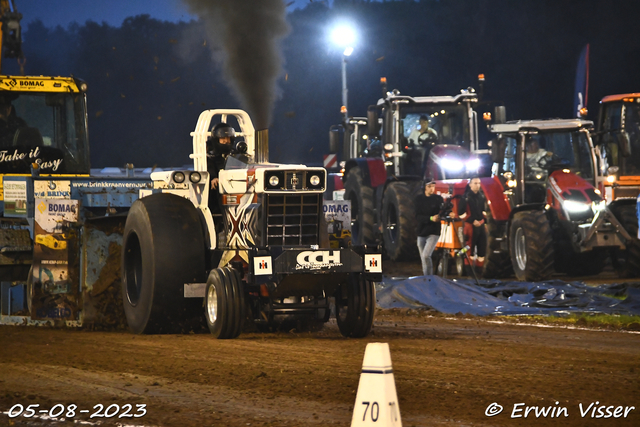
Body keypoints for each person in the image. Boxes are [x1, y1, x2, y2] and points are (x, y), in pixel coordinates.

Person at [457, 177, 487, 274]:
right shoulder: (465, 197)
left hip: (481, 225)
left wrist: (483, 221)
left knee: (482, 248)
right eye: (475, 183)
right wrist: (472, 220)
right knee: (469, 248)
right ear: (470, 184)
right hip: (470, 226)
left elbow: (483, 211)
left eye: (478, 183)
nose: (477, 185)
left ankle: (479, 271)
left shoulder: (481, 196)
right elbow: (461, 213)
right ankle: (469, 272)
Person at [415, 178, 444, 276]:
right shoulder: (419, 199)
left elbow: (444, 210)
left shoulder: (438, 199)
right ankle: (426, 277)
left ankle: (430, 278)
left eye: (433, 186)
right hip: (421, 231)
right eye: (429, 186)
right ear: (425, 187)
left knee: (426, 255)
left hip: (433, 231)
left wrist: (448, 213)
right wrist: (431, 218)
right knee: (423, 258)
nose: (432, 188)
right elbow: (417, 216)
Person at [207, 122, 235, 212]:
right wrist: (214, 178)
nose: (226, 141)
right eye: (223, 138)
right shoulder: (210, 156)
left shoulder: (236, 155)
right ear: (216, 140)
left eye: (228, 138)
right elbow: (209, 168)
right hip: (218, 188)